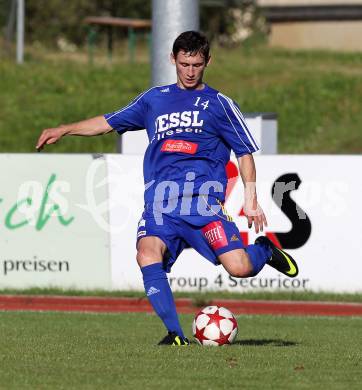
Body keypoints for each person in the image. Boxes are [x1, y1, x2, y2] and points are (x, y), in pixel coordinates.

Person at [36, 31, 299, 346]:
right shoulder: (154, 99)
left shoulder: (219, 104)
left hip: (203, 207)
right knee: (146, 254)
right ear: (173, 59)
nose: (190, 71)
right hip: (161, 207)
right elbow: (108, 122)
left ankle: (264, 250)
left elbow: (244, 153)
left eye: (197, 65)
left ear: (207, 62)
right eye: (184, 63)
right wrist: (65, 129)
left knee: (240, 267)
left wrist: (252, 200)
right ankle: (175, 334)